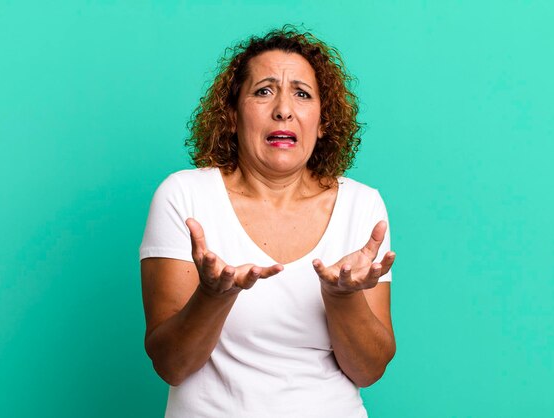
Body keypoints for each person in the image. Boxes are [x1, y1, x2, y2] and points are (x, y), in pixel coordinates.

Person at [140, 26, 396, 418]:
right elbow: (171, 366)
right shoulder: (184, 197)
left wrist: (343, 297)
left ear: (323, 121)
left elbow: (369, 369)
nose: (283, 109)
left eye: (302, 93)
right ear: (231, 114)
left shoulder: (363, 206)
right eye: (263, 91)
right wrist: (213, 296)